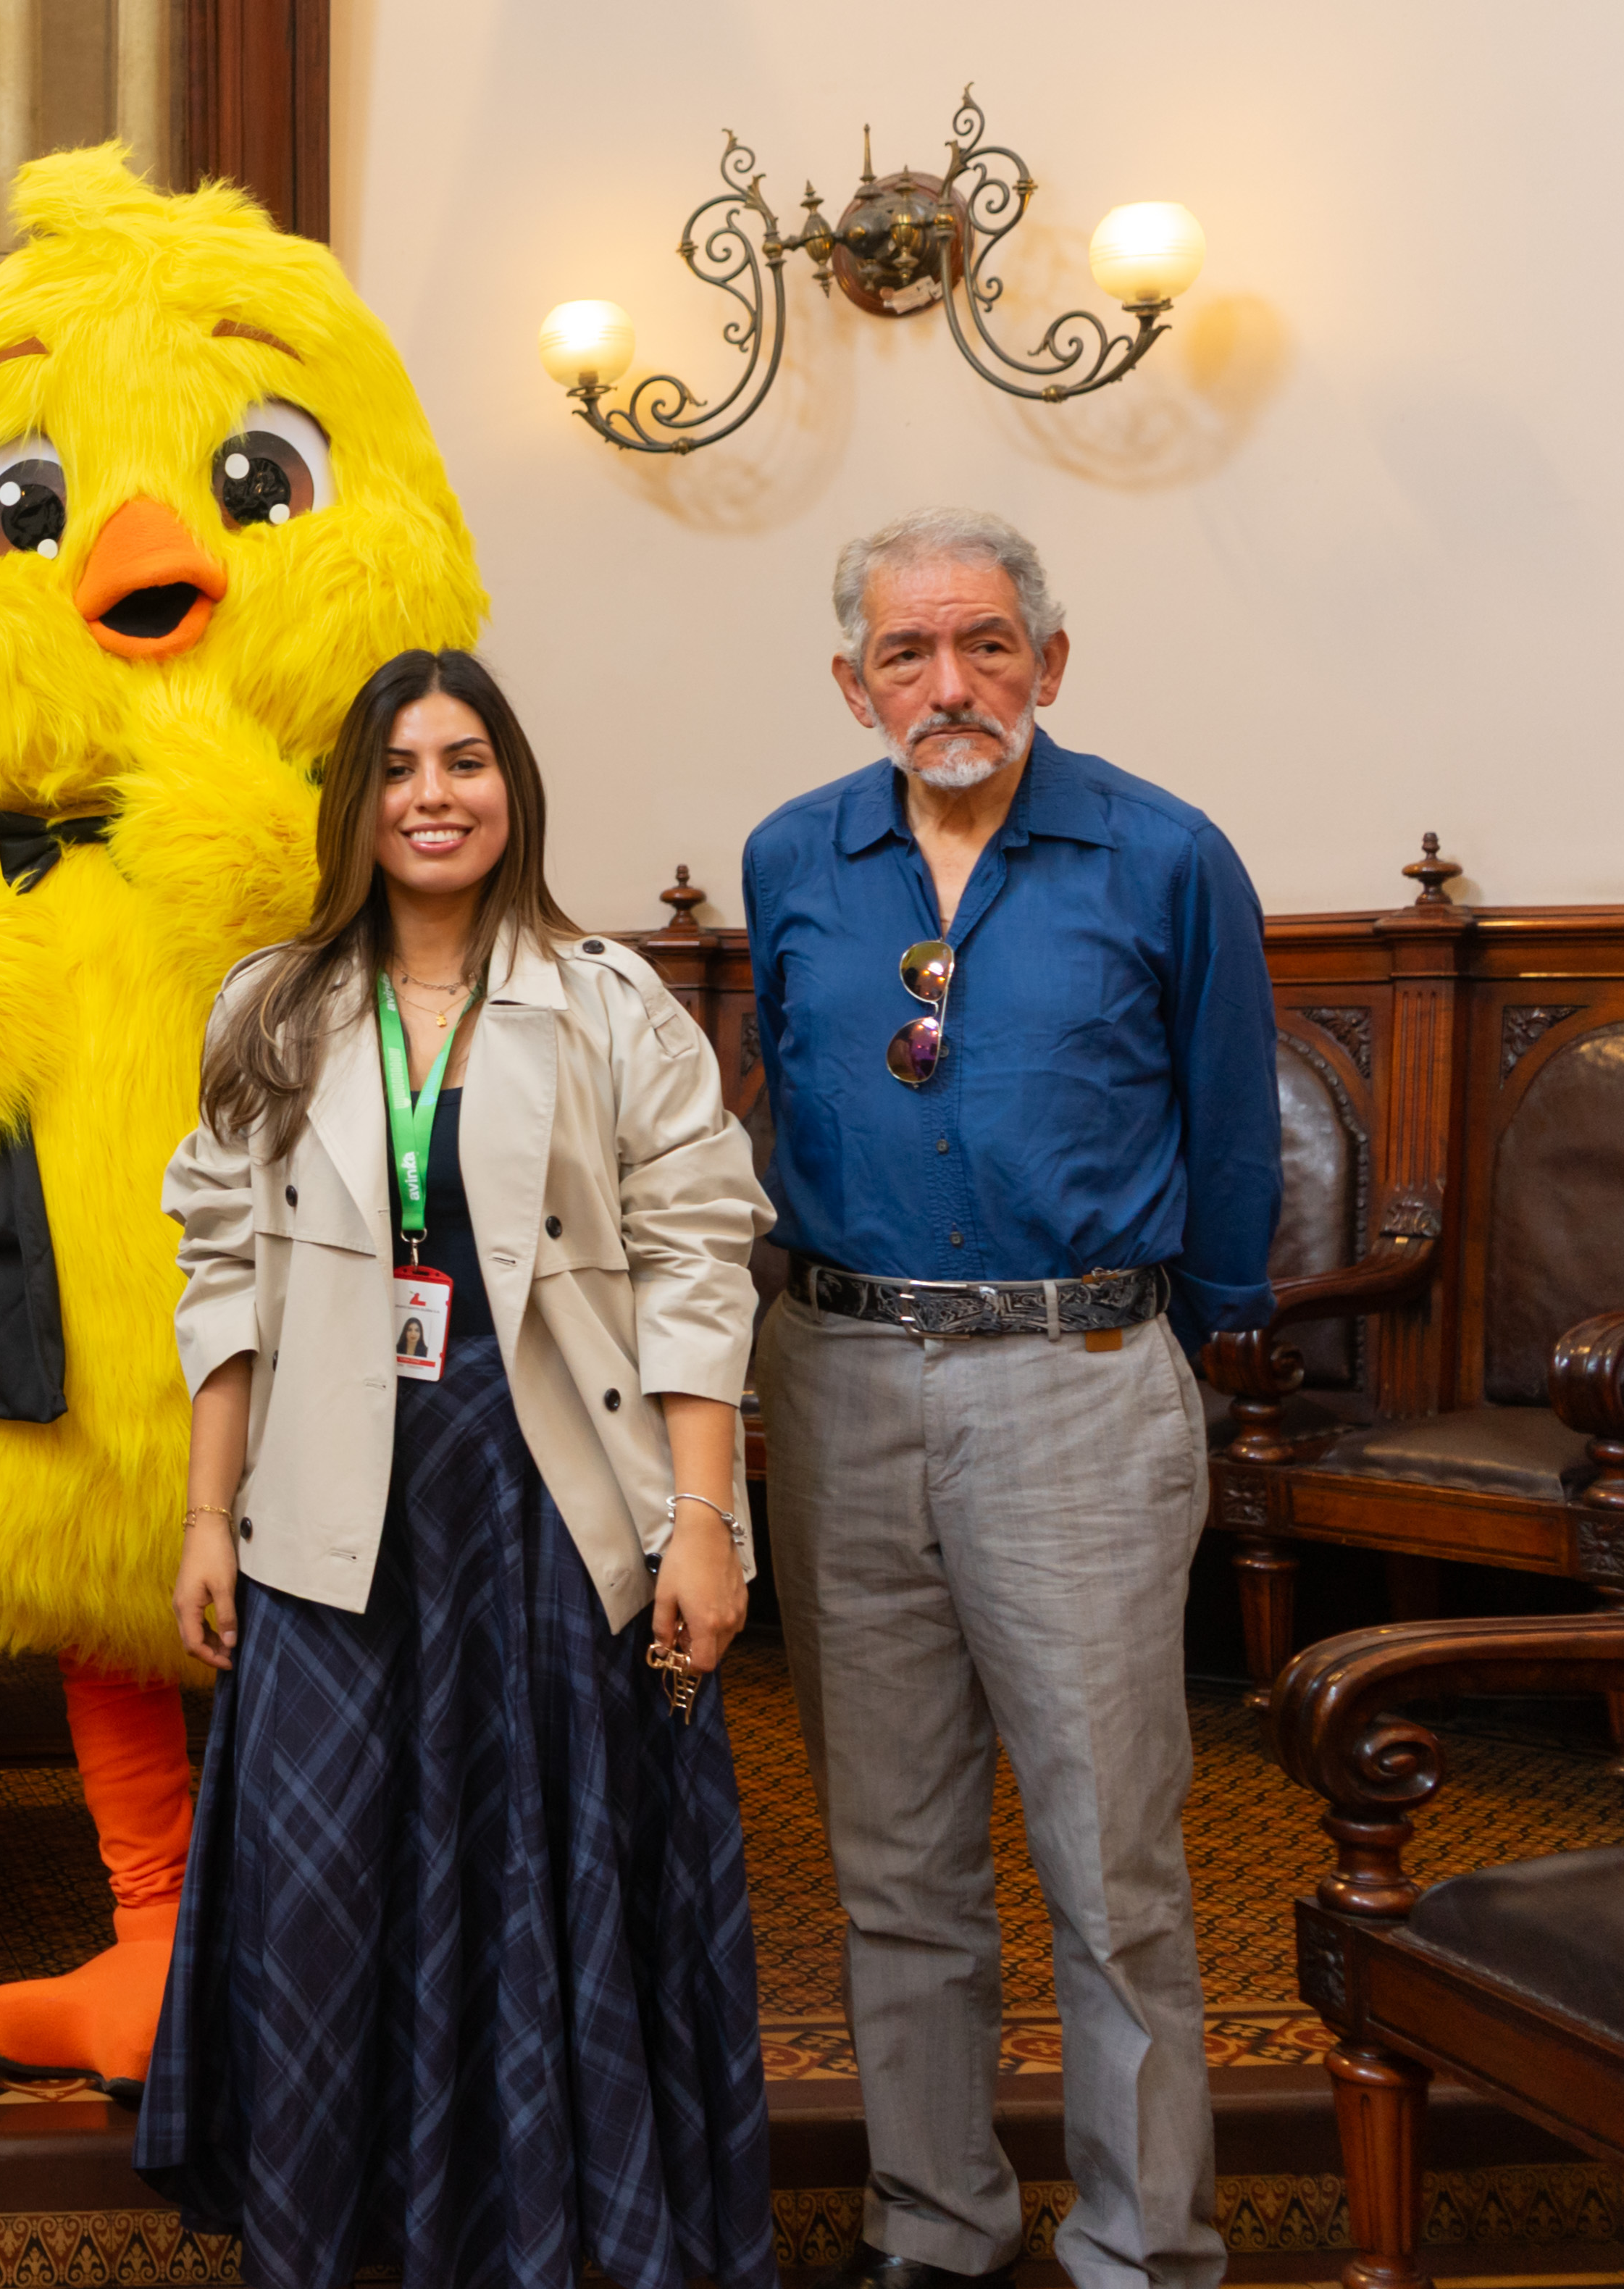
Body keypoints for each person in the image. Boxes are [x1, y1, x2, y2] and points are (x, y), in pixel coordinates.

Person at [143, 648, 775, 2289]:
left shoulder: (610, 999)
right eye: (400, 766)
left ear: (514, 787)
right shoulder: (271, 1004)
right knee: (327, 1889)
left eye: (466, 760)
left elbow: (698, 1263)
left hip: (550, 1495)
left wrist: (702, 1520)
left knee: (542, 1883)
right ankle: (354, 2235)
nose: (434, 795)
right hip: (331, 1501)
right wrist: (208, 1512)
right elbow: (224, 1271)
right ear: (353, 802)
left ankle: (559, 2235)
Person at [742, 509, 1272, 2289]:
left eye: (984, 643)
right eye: (907, 651)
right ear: (854, 682)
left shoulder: (1165, 853)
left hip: (1080, 1383)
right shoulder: (790, 857)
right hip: (838, 1384)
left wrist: (1194, 1339)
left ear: (1049, 659)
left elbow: (1229, 1125)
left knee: (1111, 1867)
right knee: (893, 1863)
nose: (949, 682)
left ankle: (1143, 2250)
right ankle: (936, 2225)